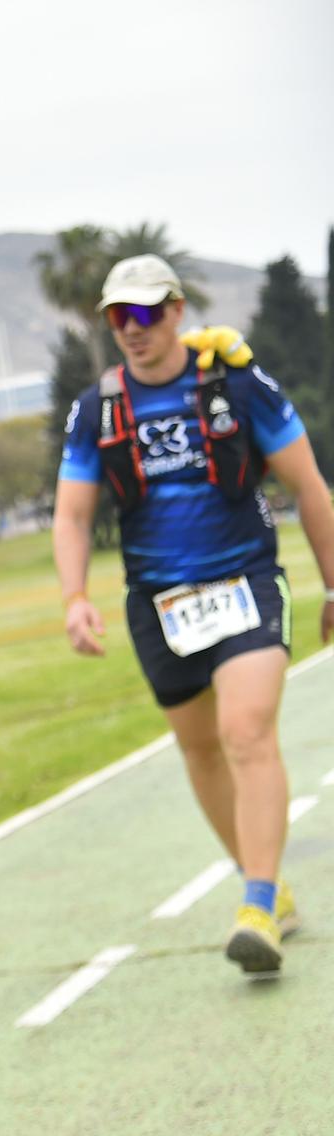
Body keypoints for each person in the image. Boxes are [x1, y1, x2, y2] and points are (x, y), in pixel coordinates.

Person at [53, 253, 332, 976]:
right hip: (158, 603)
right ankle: (268, 884)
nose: (134, 328)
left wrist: (333, 586)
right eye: (120, 316)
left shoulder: (239, 385)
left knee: (245, 733)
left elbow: (309, 487)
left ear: (178, 310)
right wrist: (74, 597)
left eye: (147, 312)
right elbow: (74, 515)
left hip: (243, 584)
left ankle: (257, 904)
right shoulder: (96, 410)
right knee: (202, 749)